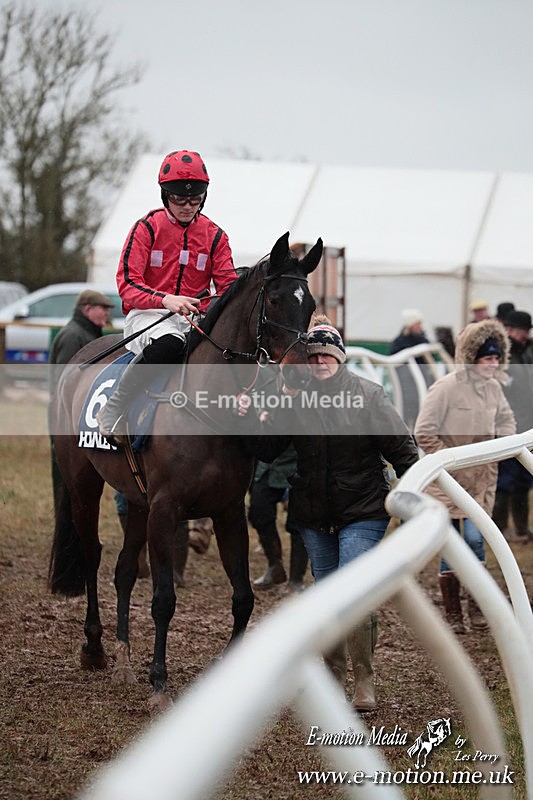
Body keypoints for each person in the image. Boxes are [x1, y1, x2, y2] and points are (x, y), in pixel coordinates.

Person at [246, 316, 419, 712]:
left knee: (353, 593)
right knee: (326, 597)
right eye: (314, 355)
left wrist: (416, 499)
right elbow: (266, 449)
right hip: (314, 512)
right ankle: (332, 676)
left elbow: (404, 453)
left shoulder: (369, 395)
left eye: (328, 354)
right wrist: (259, 413)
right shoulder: (296, 397)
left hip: (363, 509)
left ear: (340, 358)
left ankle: (364, 682)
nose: (320, 361)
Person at [97, 149, 237, 445]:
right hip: (148, 316)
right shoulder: (146, 229)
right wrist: (166, 299)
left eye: (194, 199)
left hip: (195, 319)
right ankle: (114, 408)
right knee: (172, 343)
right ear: (164, 196)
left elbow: (227, 290)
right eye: (178, 199)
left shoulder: (215, 237)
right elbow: (127, 285)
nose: (187, 206)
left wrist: (205, 306)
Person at [414, 319, 516, 634]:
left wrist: (503, 444)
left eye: (496, 358)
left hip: (482, 481)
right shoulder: (445, 387)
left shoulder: (495, 388)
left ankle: (475, 608)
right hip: (451, 482)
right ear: (472, 358)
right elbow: (423, 431)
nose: (492, 364)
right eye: (487, 358)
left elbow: (507, 419)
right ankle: (455, 614)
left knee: (476, 540)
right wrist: (449, 459)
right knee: (459, 542)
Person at [492, 310, 533, 542]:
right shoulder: (500, 355)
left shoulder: (524, 353)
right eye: (521, 331)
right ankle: (500, 528)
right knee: (505, 479)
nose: (525, 335)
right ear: (509, 330)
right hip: (507, 425)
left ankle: (521, 526)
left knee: (524, 479)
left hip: (526, 423)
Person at [248, 446, 309, 592]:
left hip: (300, 462)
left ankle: (296, 580)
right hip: (269, 462)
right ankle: (275, 565)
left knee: (299, 521)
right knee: (258, 510)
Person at [389, 309, 431, 429]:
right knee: (407, 414)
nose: (420, 327)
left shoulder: (422, 340)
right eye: (418, 324)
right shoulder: (400, 342)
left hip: (421, 383)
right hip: (407, 387)